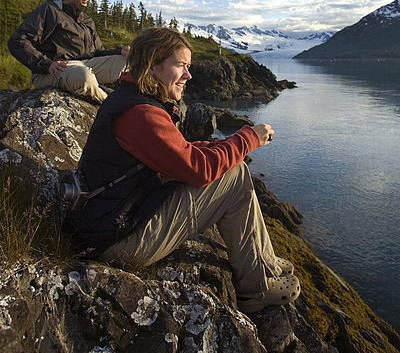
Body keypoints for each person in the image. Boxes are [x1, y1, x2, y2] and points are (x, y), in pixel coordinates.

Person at [64, 27, 301, 314]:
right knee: (235, 176)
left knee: (230, 167)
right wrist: (248, 138)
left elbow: (178, 149)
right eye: (181, 66)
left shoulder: (130, 98)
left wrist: (224, 144)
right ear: (154, 65)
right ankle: (256, 288)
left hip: (109, 222)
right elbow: (198, 169)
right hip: (119, 242)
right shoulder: (141, 114)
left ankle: (264, 261)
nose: (189, 76)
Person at [8, 0, 129, 103]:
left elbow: (97, 52)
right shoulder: (49, 11)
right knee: (84, 76)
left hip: (85, 64)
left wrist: (120, 51)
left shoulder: (86, 20)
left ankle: (138, 99)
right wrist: (46, 64)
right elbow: (17, 41)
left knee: (130, 60)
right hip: (53, 70)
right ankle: (111, 105)